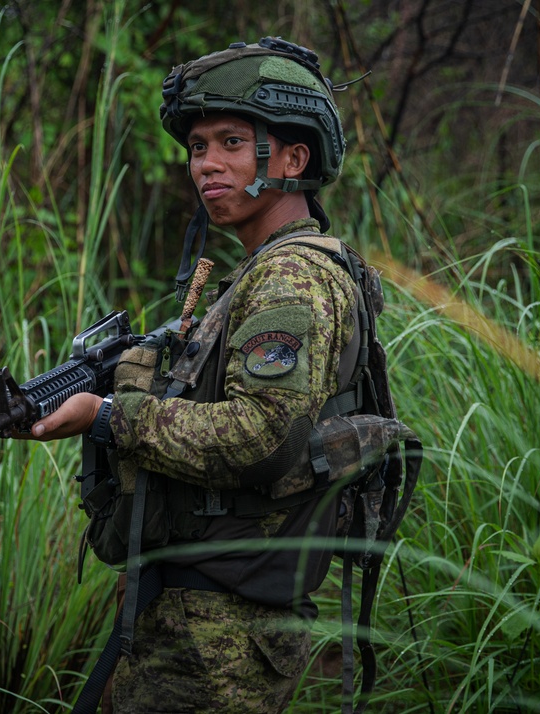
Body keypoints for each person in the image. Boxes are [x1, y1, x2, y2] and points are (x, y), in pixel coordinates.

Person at [27, 38, 360, 713]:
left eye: (232, 143)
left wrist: (109, 416)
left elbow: (260, 435)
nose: (206, 164)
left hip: (223, 633)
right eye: (198, 147)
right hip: (208, 613)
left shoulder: (290, 279)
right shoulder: (262, 276)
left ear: (293, 159)